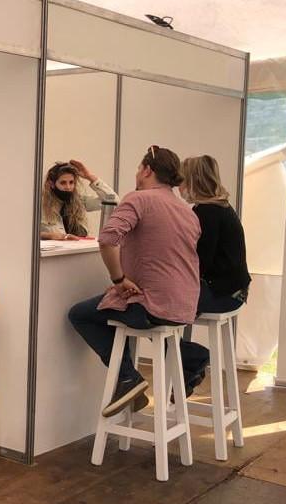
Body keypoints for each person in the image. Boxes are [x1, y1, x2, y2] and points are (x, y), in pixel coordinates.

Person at [68, 146, 201, 417]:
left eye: (139, 168)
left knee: (80, 314)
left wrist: (119, 279)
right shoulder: (187, 210)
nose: (137, 173)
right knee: (122, 311)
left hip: (152, 305)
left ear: (148, 170)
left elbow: (108, 239)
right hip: (185, 305)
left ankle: (128, 377)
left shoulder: (139, 199)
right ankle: (190, 355)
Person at [178, 155, 251, 396]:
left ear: (193, 181)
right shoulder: (220, 207)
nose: (178, 185)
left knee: (154, 312)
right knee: (159, 313)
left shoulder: (206, 212)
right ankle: (188, 366)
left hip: (223, 293)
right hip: (233, 291)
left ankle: (193, 358)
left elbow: (199, 262)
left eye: (181, 180)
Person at [40, 159, 118, 240]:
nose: (68, 187)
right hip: (55, 248)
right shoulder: (40, 205)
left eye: (71, 182)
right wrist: (48, 235)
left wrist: (89, 177)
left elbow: (114, 201)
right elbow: (31, 232)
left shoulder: (80, 201)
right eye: (63, 183)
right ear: (51, 184)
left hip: (80, 247)